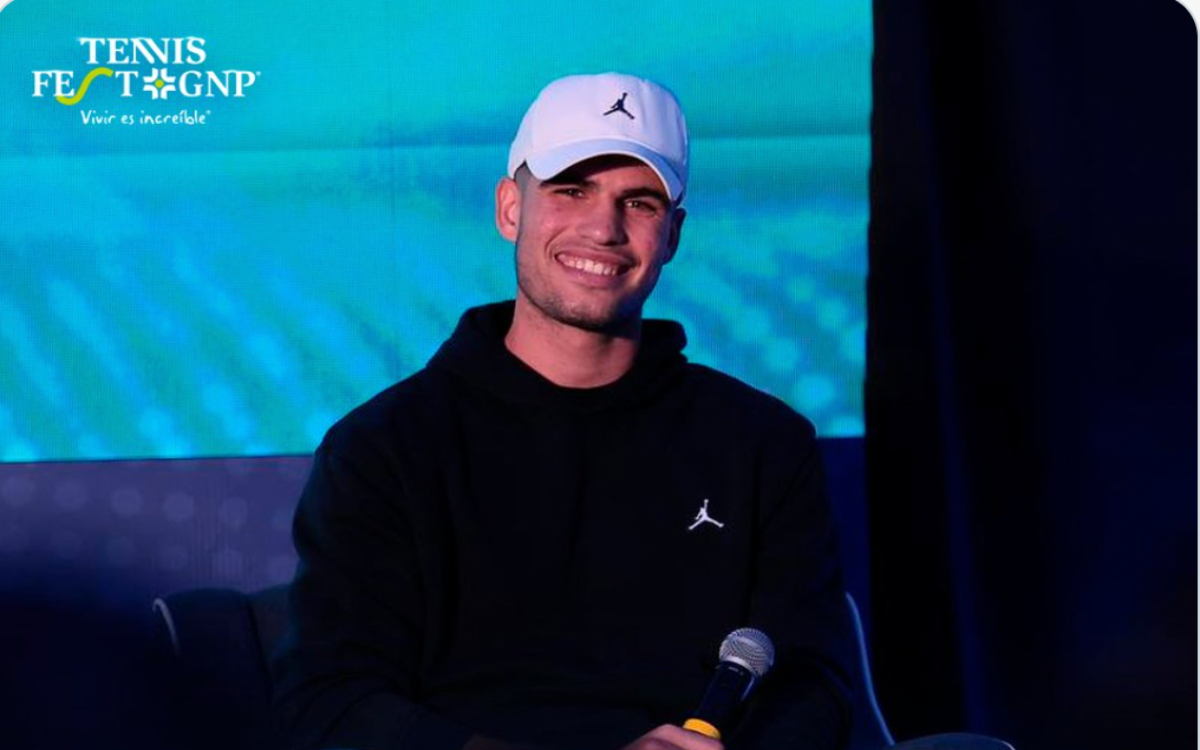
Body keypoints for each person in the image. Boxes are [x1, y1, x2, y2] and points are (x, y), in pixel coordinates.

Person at [271, 72, 856, 750]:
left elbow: (815, 682)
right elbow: (330, 702)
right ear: (510, 208)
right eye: (572, 190)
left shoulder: (763, 443)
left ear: (672, 235)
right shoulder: (384, 448)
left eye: (638, 202)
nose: (603, 228)